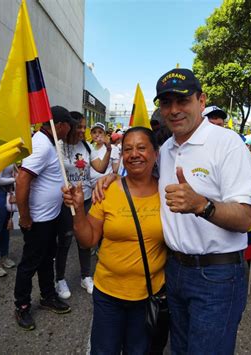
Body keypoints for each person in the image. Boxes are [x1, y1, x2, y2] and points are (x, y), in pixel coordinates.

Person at [94, 68, 251, 353]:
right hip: (174, 271)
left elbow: (245, 218)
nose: (174, 110)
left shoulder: (226, 144)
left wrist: (201, 205)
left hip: (216, 275)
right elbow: (140, 178)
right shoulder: (166, 148)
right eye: (166, 103)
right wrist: (111, 179)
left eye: (182, 101)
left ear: (201, 101)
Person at [64, 127, 166, 354]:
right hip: (109, 294)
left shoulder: (167, 193)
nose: (134, 154)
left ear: (155, 153)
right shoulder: (107, 190)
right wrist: (79, 210)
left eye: (142, 148)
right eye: (128, 149)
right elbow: (88, 239)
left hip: (148, 295)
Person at [13, 106, 75, 330]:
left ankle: (47, 296)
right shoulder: (41, 144)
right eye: (69, 125)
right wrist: (25, 216)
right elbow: (22, 180)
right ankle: (22, 306)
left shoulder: (48, 142)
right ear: (60, 125)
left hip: (50, 217)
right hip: (38, 220)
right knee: (29, 263)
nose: (70, 130)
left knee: (47, 258)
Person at [55, 112, 111, 300]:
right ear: (69, 126)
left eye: (83, 127)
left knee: (85, 241)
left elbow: (101, 168)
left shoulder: (87, 146)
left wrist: (109, 150)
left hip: (86, 200)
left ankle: (85, 276)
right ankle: (60, 279)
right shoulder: (59, 146)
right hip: (67, 202)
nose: (82, 130)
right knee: (65, 241)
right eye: (79, 126)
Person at [89, 122, 120, 188]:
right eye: (94, 132)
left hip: (105, 187)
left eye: (100, 132)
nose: (97, 135)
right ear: (91, 135)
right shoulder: (88, 148)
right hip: (89, 187)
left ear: (105, 134)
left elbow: (115, 171)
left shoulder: (113, 148)